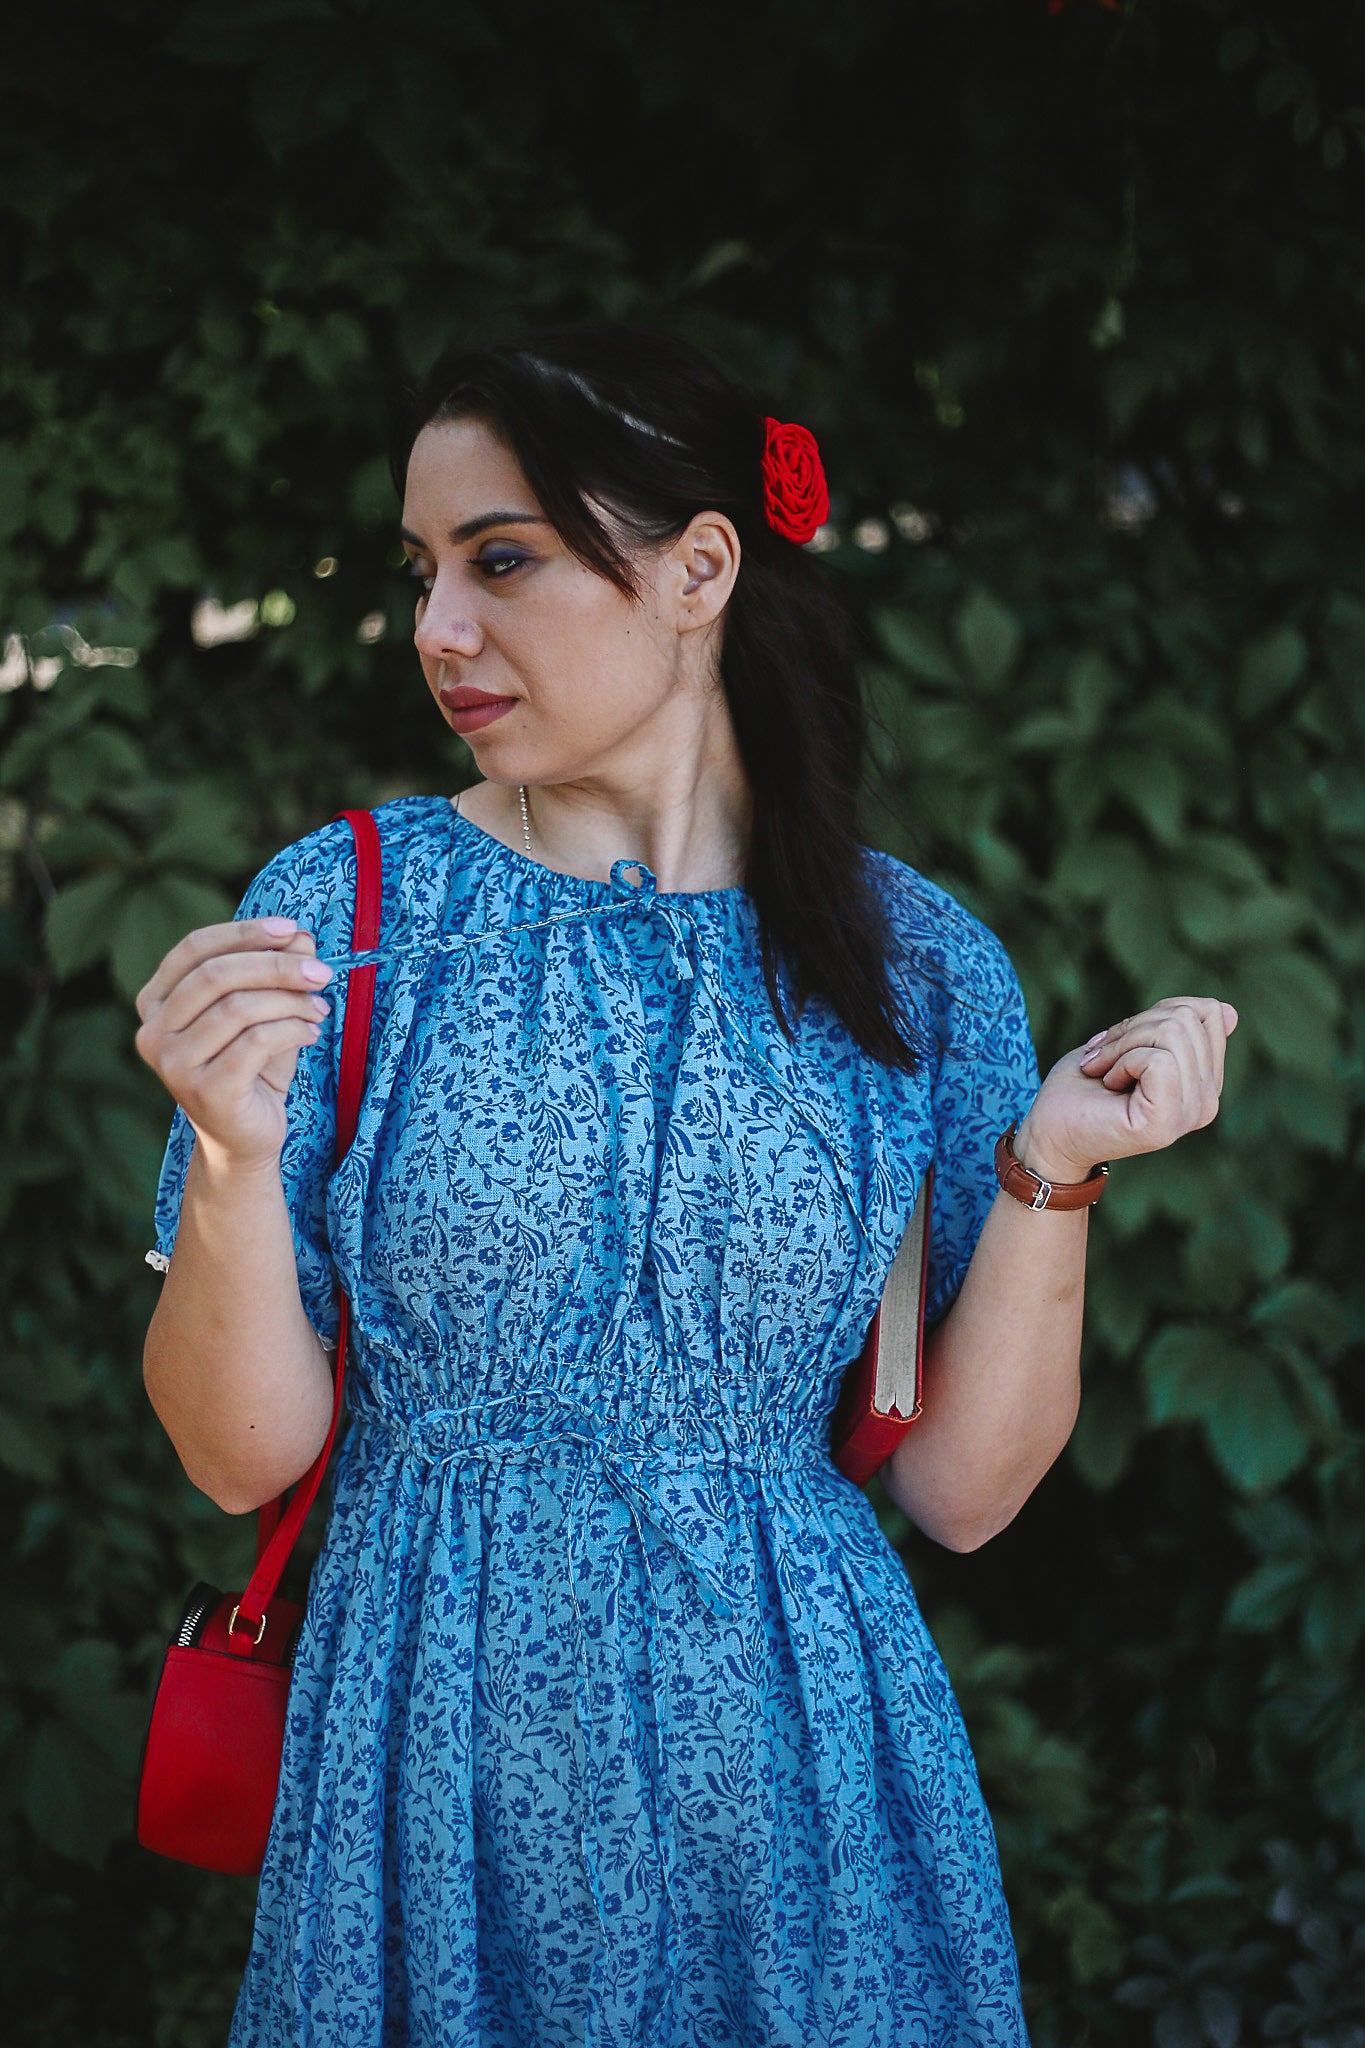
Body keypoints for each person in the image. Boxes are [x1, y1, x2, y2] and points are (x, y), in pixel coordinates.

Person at [134, 320, 1237, 2048]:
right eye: (421, 571)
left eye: (501, 561)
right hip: (438, 1756)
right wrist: (228, 1156)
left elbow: (959, 1493)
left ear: (699, 568)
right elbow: (235, 1458)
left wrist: (1048, 1171)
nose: (437, 628)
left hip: (802, 1776)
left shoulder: (912, 966)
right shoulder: (353, 912)